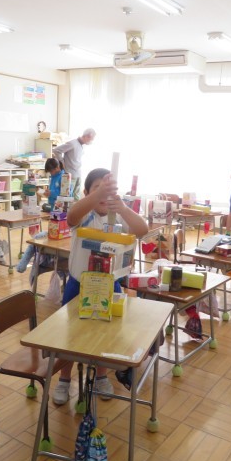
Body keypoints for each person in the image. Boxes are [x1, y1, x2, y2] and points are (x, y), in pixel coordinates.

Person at [52, 168, 148, 405]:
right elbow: (71, 217)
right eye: (97, 189)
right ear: (86, 193)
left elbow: (142, 230)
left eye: (108, 190)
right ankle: (64, 378)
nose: (104, 195)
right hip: (78, 285)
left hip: (109, 285)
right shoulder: (84, 214)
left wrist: (123, 208)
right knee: (70, 335)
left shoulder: (117, 216)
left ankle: (101, 376)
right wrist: (98, 194)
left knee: (106, 333)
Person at [52, 128, 96, 200]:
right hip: (69, 174)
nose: (91, 141)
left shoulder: (82, 145)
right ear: (87, 136)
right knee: (67, 197)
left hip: (78, 174)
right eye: (91, 139)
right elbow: (56, 150)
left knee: (76, 197)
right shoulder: (72, 143)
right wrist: (62, 162)